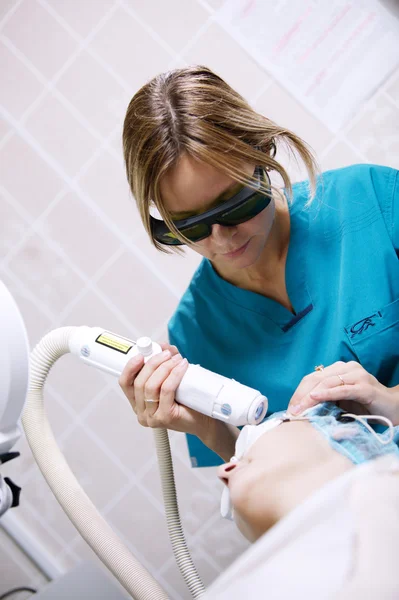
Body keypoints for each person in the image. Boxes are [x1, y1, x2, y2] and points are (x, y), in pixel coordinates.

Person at [120, 65, 399, 469]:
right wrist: (205, 427)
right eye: (190, 227)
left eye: (237, 205)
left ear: (263, 154)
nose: (221, 239)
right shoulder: (197, 334)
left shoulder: (372, 201)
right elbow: (269, 484)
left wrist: (390, 402)